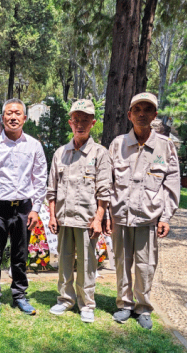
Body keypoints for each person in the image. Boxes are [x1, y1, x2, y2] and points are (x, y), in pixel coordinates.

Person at [106, 92, 180, 329]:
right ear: (129, 114)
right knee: (121, 262)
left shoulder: (165, 147)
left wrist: (166, 216)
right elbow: (107, 181)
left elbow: (172, 182)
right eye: (137, 109)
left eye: (147, 109)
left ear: (154, 115)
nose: (141, 114)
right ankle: (124, 304)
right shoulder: (118, 144)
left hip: (148, 216)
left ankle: (143, 307)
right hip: (120, 215)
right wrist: (107, 213)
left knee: (146, 265)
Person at [0, 98, 48, 318]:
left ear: (24, 118)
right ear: (2, 118)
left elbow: (40, 179)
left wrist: (35, 209)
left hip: (23, 209)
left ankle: (19, 295)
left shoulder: (34, 145)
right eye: (9, 113)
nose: (13, 117)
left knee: (20, 255)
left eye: (17, 113)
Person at [46, 99, 111, 323]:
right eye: (76, 120)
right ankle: (65, 299)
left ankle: (86, 304)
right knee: (64, 262)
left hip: (86, 220)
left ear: (93, 123)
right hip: (64, 218)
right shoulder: (60, 153)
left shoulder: (100, 153)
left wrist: (99, 220)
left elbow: (104, 191)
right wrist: (52, 215)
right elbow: (52, 189)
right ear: (70, 123)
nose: (80, 124)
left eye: (85, 120)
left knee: (86, 264)